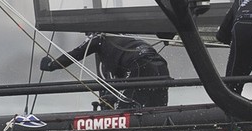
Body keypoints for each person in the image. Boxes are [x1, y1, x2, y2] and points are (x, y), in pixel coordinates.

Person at [40, 33, 170, 108]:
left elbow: (76, 53)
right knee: (158, 109)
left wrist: (51, 65)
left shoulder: (99, 37)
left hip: (137, 64)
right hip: (161, 65)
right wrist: (113, 97)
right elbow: (122, 80)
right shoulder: (125, 37)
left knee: (125, 109)